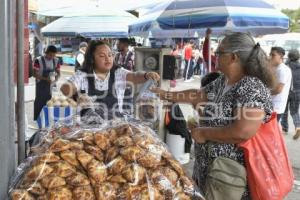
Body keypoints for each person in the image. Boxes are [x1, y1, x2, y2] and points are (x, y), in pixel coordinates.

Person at [152, 32, 275, 199]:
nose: (215, 56)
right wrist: (164, 94)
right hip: (209, 171)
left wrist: (204, 132)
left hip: (229, 177)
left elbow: (243, 131)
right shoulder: (224, 81)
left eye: (219, 53)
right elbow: (197, 95)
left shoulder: (252, 86)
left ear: (233, 57)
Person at [60, 40, 160, 120]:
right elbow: (65, 88)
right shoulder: (83, 75)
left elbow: (134, 76)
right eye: (102, 56)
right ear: (92, 59)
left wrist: (146, 75)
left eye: (110, 55)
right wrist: (76, 94)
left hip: (115, 127)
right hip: (88, 129)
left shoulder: (118, 73)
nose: (108, 59)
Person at [33, 45, 60, 120]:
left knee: (51, 103)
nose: (52, 57)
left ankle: (49, 120)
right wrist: (45, 79)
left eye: (54, 55)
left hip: (52, 86)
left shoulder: (56, 60)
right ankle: (38, 120)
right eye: (50, 55)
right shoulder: (38, 60)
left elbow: (58, 73)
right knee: (40, 103)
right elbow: (34, 74)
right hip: (41, 86)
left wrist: (56, 79)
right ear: (46, 52)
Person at [280, 49, 300, 139]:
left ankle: (284, 129)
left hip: (286, 92)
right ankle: (297, 127)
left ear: (289, 56)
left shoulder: (285, 66)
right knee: (294, 111)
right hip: (297, 92)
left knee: (284, 111)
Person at [269, 47, 292, 122]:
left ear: (281, 56)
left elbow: (278, 89)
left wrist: (263, 93)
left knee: (271, 131)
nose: (270, 57)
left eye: (273, 55)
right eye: (270, 54)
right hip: (272, 105)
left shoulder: (283, 70)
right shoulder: (277, 68)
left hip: (276, 106)